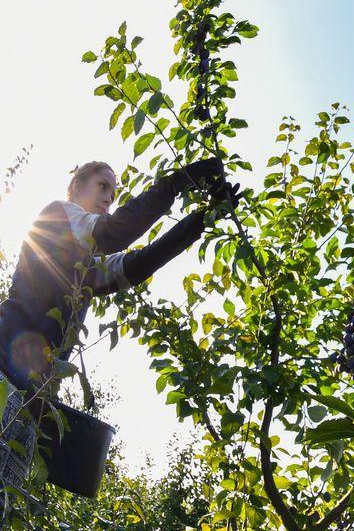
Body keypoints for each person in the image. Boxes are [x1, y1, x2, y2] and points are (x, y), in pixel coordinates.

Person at [0, 158, 242, 395]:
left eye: (113, 196)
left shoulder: (85, 267)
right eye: (102, 186)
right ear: (75, 187)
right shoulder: (57, 216)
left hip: (34, 395)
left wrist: (202, 219)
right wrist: (178, 181)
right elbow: (115, 231)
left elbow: (137, 265)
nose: (108, 199)